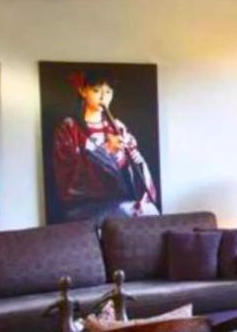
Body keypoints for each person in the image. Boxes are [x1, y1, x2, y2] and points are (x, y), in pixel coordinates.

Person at [51, 68, 159, 222]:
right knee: (127, 213)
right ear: (82, 91)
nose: (103, 97)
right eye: (96, 91)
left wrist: (131, 158)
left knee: (149, 210)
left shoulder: (118, 126)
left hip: (119, 202)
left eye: (108, 92)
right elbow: (66, 180)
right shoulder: (69, 128)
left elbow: (133, 174)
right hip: (84, 207)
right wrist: (106, 150)